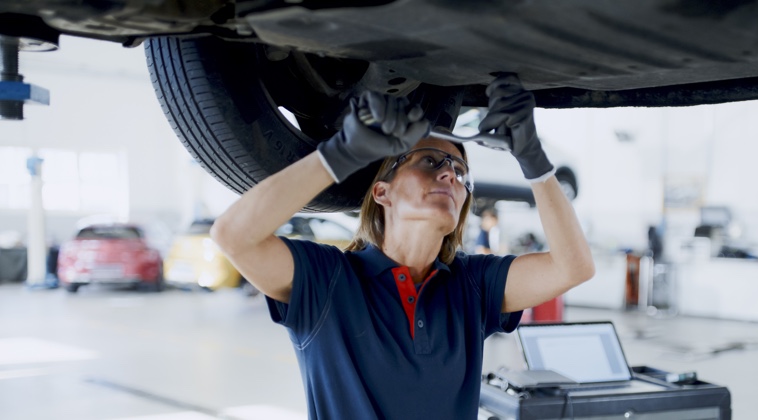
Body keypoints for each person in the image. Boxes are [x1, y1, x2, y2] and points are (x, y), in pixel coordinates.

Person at [210, 74, 595, 420]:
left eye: (459, 171)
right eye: (429, 160)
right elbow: (233, 235)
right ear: (382, 191)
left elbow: (573, 266)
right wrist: (339, 154)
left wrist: (534, 160)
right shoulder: (328, 280)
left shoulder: (473, 285)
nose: (449, 172)